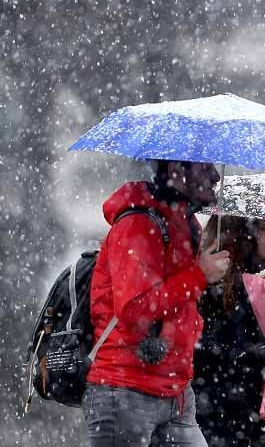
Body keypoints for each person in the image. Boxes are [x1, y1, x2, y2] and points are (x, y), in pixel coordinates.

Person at [83, 160, 230, 446]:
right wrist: (199, 275)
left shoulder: (186, 225)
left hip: (175, 393)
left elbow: (179, 304)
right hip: (125, 390)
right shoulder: (137, 224)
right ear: (177, 169)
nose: (215, 175)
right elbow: (134, 309)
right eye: (204, 168)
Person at [193, 215, 265, 447]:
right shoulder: (210, 283)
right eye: (264, 227)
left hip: (256, 418)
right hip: (217, 416)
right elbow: (204, 350)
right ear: (242, 232)